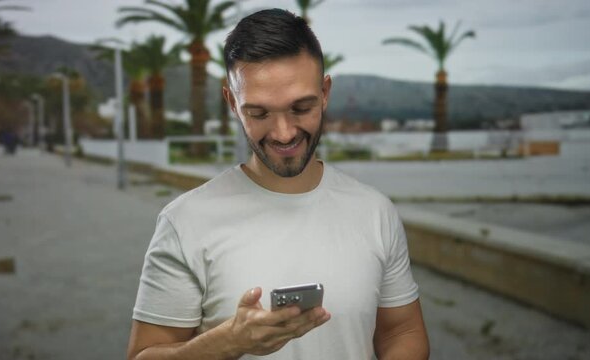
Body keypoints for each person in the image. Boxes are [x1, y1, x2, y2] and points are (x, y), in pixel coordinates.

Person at [127, 8, 429, 360]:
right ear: (232, 104)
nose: (284, 133)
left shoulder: (375, 211)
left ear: (325, 92)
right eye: (259, 113)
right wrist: (228, 342)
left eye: (301, 108)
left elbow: (401, 330)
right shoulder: (184, 221)